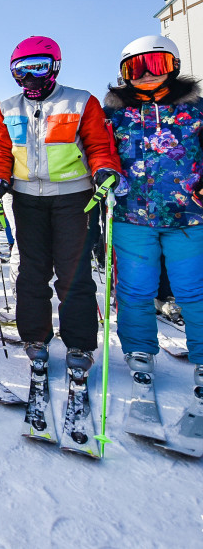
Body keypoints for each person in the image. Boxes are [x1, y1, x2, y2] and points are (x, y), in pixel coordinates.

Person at [0, 36, 121, 378]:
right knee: (32, 272)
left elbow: (98, 145)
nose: (30, 77)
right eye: (21, 70)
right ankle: (35, 337)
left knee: (73, 273)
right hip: (27, 198)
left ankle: (79, 342)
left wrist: (104, 169)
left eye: (38, 67)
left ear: (54, 67)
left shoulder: (80, 101)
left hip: (74, 198)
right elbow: (0, 150)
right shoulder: (7, 107)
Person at [102, 35, 203, 391]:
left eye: (155, 65)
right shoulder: (114, 114)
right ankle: (139, 349)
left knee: (193, 289)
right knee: (135, 290)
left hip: (188, 215)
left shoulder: (196, 109)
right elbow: (99, 151)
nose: (146, 75)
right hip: (132, 215)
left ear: (173, 66)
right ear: (124, 74)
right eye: (136, 68)